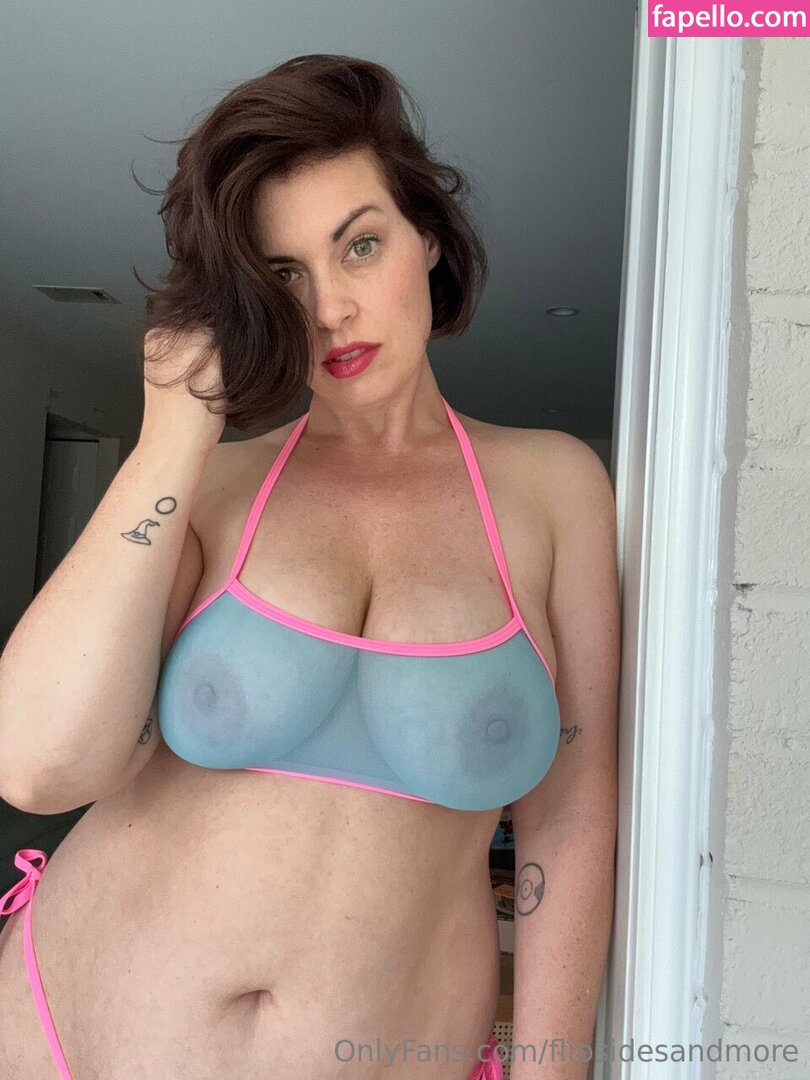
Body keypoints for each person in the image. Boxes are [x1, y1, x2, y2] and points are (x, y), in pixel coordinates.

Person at [0, 54, 619, 1079]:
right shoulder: (210, 483)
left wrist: (552, 1068)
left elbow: (574, 813)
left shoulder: (556, 489)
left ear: (427, 236)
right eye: (283, 275)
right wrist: (170, 441)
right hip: (62, 1034)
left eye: (359, 245)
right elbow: (36, 765)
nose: (329, 309)